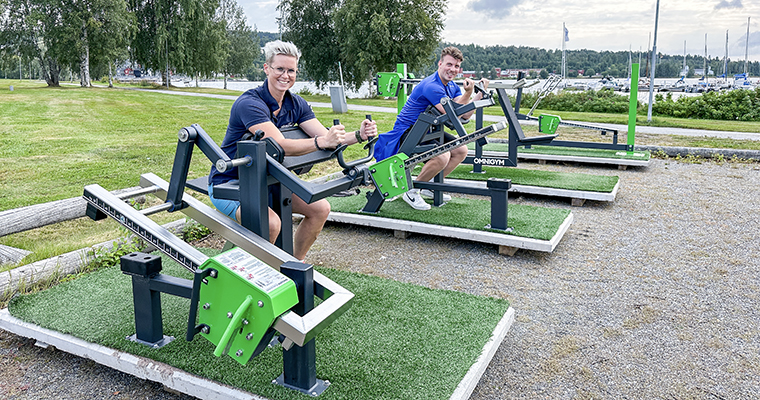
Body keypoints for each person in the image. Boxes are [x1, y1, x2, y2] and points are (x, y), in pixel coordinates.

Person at [208, 40, 377, 261]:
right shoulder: (249, 103)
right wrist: (321, 142)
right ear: (267, 68)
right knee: (270, 224)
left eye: (291, 70)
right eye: (279, 69)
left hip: (270, 181)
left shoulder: (296, 103)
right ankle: (257, 279)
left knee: (320, 209)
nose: (285, 75)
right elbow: (280, 145)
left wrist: (359, 136)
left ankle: (293, 265)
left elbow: (327, 137)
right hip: (231, 183)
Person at [374, 46, 488, 210]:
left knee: (461, 150)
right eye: (449, 64)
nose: (452, 69)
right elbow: (452, 114)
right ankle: (412, 191)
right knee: (442, 156)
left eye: (456, 66)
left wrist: (480, 93)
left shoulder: (451, 86)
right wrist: (468, 93)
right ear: (440, 64)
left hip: (428, 130)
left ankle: (427, 185)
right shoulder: (431, 86)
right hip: (408, 133)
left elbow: (465, 114)